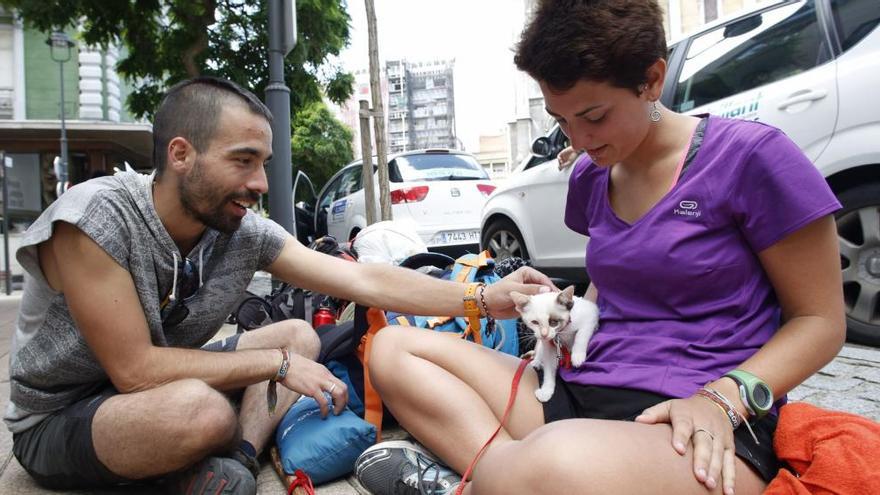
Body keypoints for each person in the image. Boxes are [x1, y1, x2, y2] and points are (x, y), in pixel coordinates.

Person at [355, 1, 846, 494]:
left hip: (694, 418)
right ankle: (503, 478)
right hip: (582, 389)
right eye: (561, 120)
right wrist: (563, 327)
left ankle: (480, 481)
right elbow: (613, 285)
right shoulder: (591, 176)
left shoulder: (752, 158)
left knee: (552, 461)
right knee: (394, 349)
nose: (579, 139)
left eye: (594, 116)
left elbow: (820, 322)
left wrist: (725, 397)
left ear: (652, 80)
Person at [4, 76, 554, 495]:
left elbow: (362, 277)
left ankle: (237, 464)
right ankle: (183, 470)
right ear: (180, 155)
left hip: (159, 387)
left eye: (263, 163)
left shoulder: (239, 229)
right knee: (201, 412)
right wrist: (277, 368)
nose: (260, 184)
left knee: (298, 335)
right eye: (243, 161)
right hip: (61, 416)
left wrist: (484, 297)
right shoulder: (96, 219)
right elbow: (136, 371)